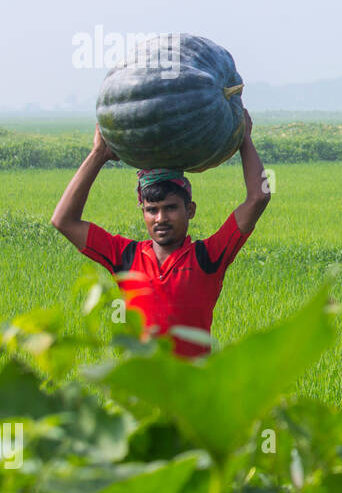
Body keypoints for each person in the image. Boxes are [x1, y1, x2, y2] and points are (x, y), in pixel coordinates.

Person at [50, 112, 269, 357]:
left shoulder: (208, 256)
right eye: (151, 210)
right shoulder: (125, 256)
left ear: (190, 209)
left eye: (171, 208)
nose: (161, 219)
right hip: (143, 389)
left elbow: (258, 197)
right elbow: (63, 221)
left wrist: (244, 140)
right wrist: (98, 155)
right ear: (143, 212)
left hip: (193, 387)